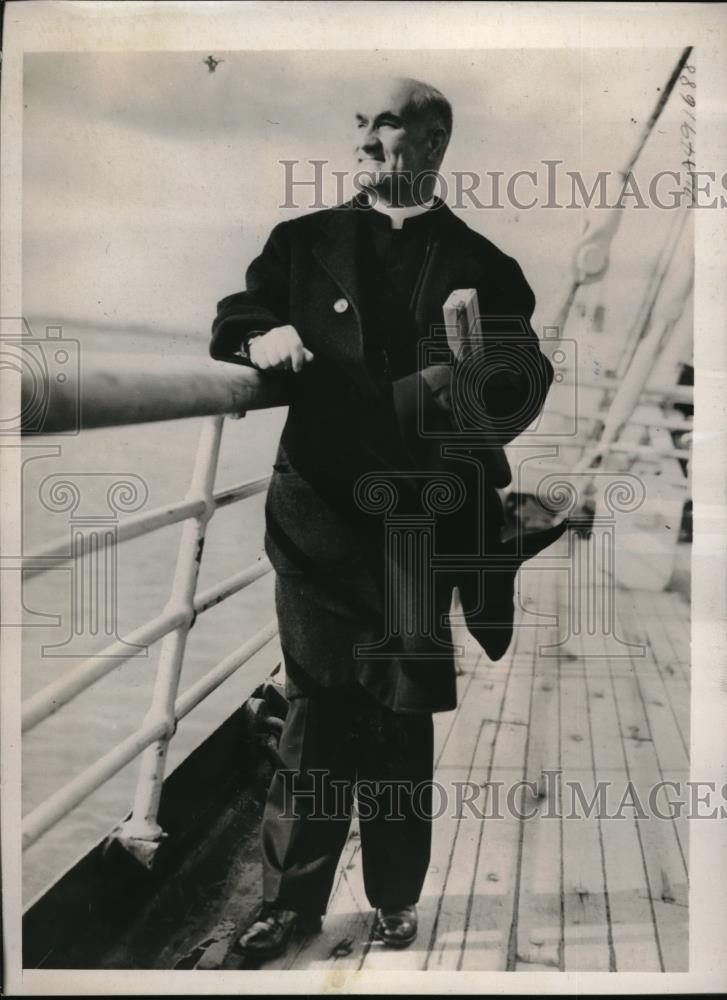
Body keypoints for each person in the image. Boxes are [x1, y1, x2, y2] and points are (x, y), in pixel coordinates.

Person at [210, 77, 562, 960]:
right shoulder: (302, 242)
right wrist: (260, 339)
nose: (367, 137)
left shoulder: (483, 265)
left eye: (389, 123)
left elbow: (524, 380)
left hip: (418, 521)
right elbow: (240, 311)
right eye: (360, 122)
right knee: (316, 713)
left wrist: (462, 384)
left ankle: (396, 896)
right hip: (319, 514)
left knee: (400, 713)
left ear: (435, 143)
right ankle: (289, 905)